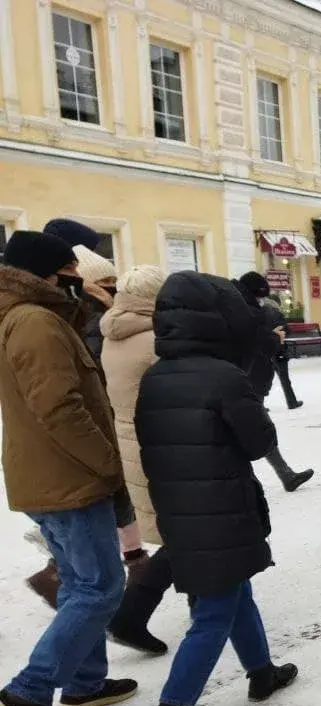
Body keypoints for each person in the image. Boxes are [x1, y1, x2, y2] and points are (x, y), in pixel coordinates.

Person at [135, 271, 298, 706]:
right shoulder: (225, 377)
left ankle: (261, 671)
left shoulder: (154, 377)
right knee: (212, 615)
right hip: (220, 507)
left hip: (178, 507)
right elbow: (258, 442)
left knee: (234, 590)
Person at [0, 231, 135, 706]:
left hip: (52, 474)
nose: (78, 282)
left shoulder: (31, 317)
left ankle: (85, 684)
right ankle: (28, 692)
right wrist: (106, 464)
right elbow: (59, 407)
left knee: (82, 584)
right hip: (69, 478)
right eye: (70, 273)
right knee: (99, 587)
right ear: (47, 275)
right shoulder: (34, 321)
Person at [99, 265, 174, 656]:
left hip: (131, 439)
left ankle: (202, 599)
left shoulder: (115, 333)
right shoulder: (154, 339)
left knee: (180, 526)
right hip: (160, 443)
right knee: (186, 529)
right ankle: (130, 615)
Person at [235, 273, 313, 491]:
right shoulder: (245, 312)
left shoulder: (240, 308)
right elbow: (255, 345)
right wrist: (274, 338)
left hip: (247, 380)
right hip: (246, 380)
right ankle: (283, 476)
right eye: (261, 296)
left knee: (258, 428)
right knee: (256, 429)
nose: (262, 301)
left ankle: (286, 475)